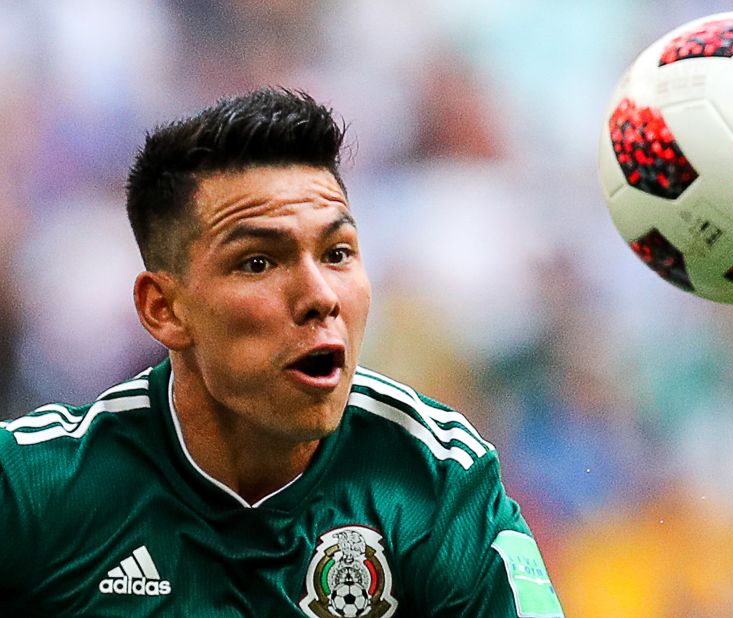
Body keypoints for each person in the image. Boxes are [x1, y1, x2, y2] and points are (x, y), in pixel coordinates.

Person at [0, 88, 564, 617]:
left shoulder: (437, 480)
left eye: (338, 253)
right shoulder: (35, 487)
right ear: (164, 310)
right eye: (258, 262)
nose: (321, 296)